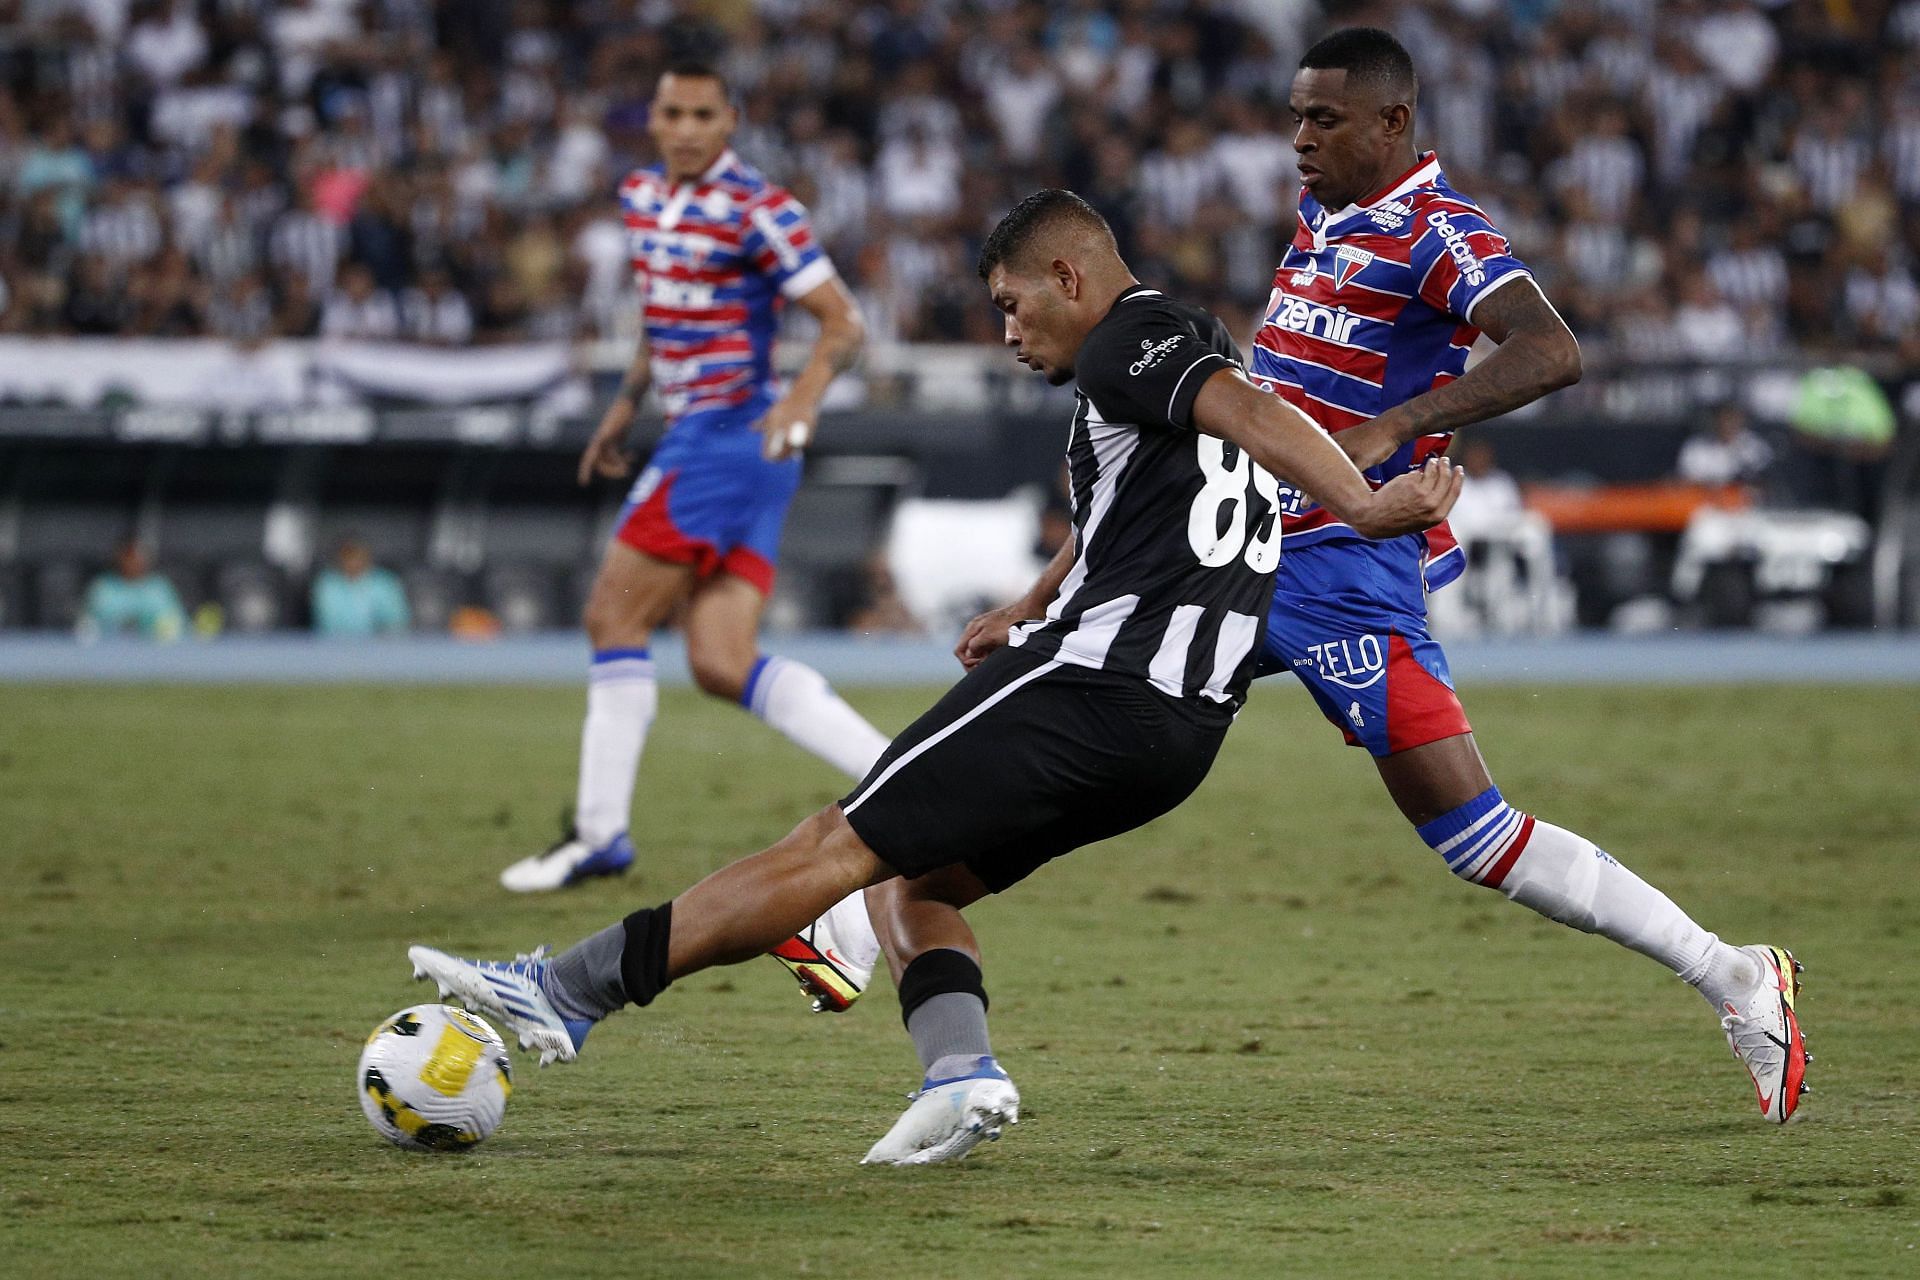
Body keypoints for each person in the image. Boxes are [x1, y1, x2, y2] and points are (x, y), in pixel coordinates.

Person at [776, 29, 1809, 1129]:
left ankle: (1735, 975)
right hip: (1252, 541)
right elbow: (1216, 434)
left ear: (1393, 123)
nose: (1300, 139)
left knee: (1468, 830)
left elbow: (1550, 350)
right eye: (1294, 116)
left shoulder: (1439, 230)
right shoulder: (1322, 222)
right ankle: (869, 895)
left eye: (1324, 119)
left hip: (1342, 566)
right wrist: (1044, 587)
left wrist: (1395, 429)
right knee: (1072, 694)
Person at [409, 189, 1461, 1164]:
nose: (1007, 333)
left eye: (1011, 306)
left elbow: (1266, 425)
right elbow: (1145, 507)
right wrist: (1033, 600)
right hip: (1179, 732)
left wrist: (1367, 506)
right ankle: (962, 1073)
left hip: (1097, 687)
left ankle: (567, 987)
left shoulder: (1125, 345)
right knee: (915, 881)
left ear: (1068, 276)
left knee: (833, 844)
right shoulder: (1187, 336)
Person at [497, 63, 892, 893]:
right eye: (672, 111)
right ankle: (907, 781)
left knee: (612, 615)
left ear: (730, 120)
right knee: (719, 658)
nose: (684, 127)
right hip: (703, 436)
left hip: (726, 437)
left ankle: (600, 835)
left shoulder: (760, 209)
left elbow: (843, 320)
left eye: (702, 114)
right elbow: (659, 310)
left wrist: (805, 398)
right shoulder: (643, 195)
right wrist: (625, 403)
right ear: (653, 114)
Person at [79, 539, 185, 641]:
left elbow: (176, 623)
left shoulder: (159, 588)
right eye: (128, 557)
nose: (133, 562)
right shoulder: (103, 587)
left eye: (137, 557)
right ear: (119, 557)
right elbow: (88, 624)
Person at [311, 538, 410, 637]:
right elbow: (326, 622)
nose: (353, 562)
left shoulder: (386, 582)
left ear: (367, 557)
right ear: (339, 558)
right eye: (348, 556)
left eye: (357, 556)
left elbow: (397, 621)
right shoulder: (327, 584)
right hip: (336, 645)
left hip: (380, 646)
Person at [1677, 401, 1773, 489]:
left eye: (1732, 418)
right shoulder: (1696, 446)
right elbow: (1688, 480)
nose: (1727, 424)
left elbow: (1762, 479)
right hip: (1705, 501)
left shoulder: (1755, 446)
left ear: (1741, 420)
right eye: (1723, 419)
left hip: (1746, 503)